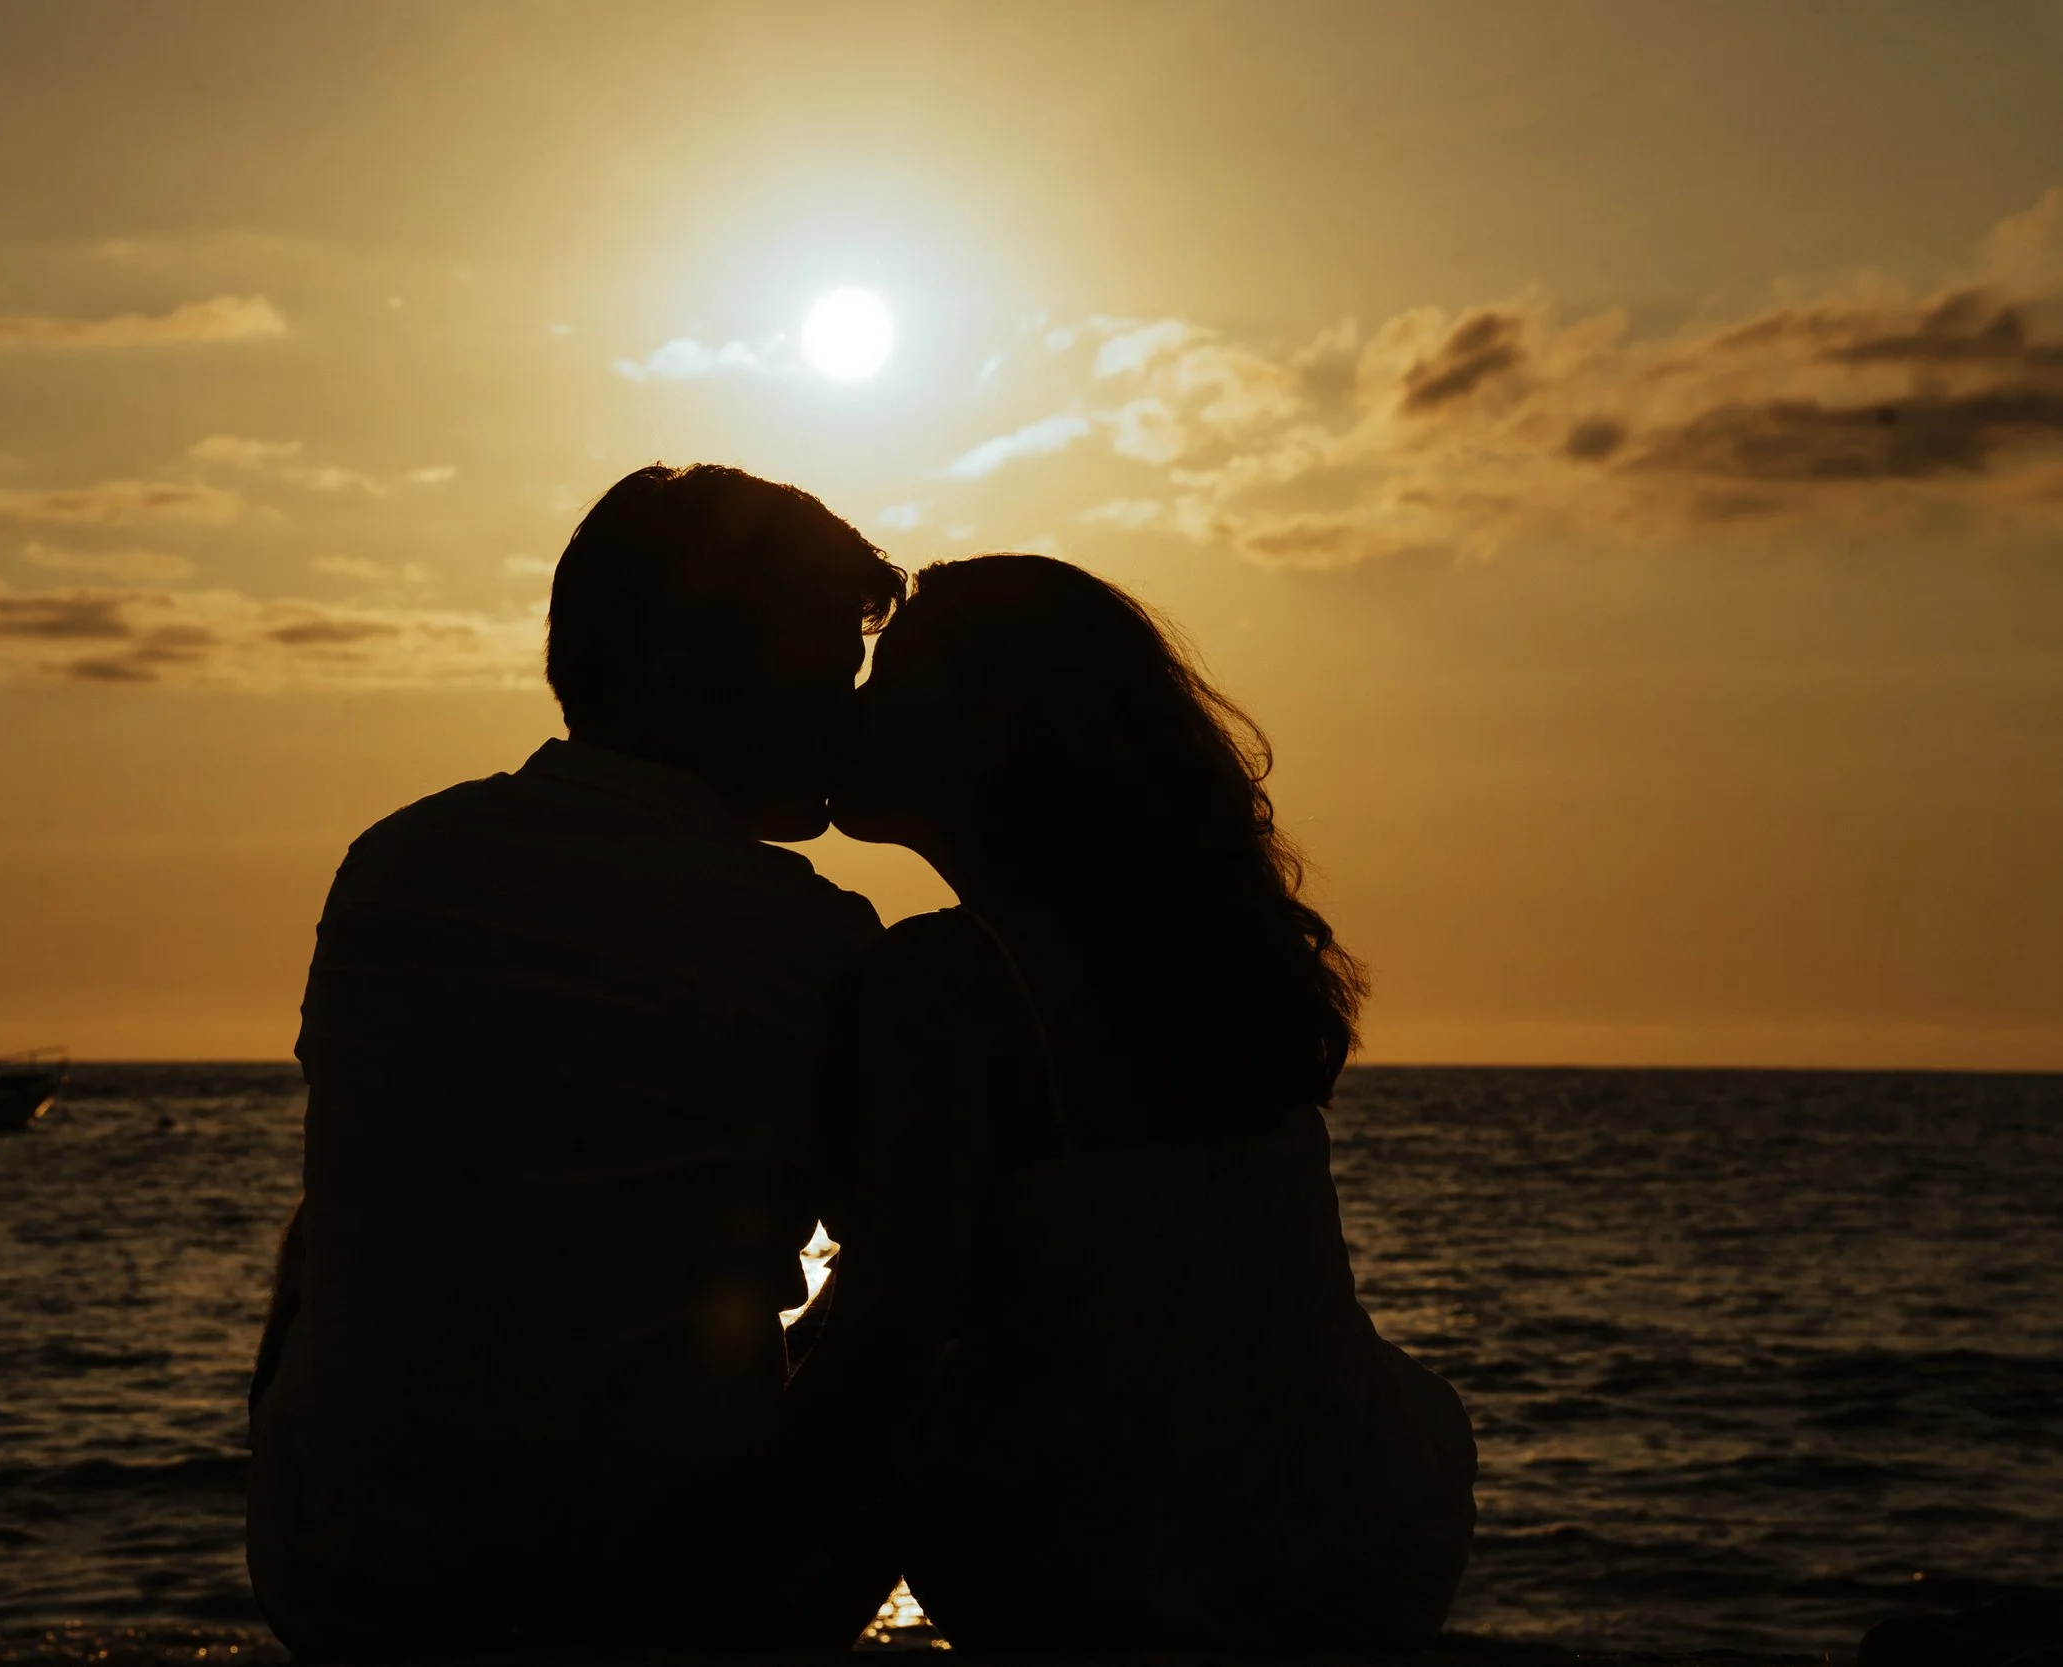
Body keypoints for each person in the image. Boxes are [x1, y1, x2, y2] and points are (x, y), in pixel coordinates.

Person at [246, 464, 908, 1659]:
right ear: (693, 679)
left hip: (337, 1564)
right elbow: (909, 1279)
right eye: (823, 672)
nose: (847, 716)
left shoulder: (393, 863)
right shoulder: (811, 939)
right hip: (639, 1586)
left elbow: (355, 1199)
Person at [821, 553, 1478, 1653]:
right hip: (1370, 1522)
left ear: (986, 733)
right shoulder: (1187, 959)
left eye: (888, 683)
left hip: (1156, 1574)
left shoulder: (950, 982)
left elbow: (882, 1358)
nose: (851, 711)